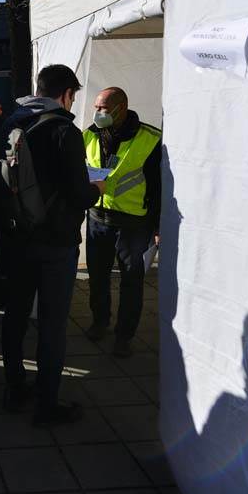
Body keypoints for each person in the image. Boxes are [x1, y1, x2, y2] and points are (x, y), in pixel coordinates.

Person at [1, 64, 106, 426]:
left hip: (17, 238)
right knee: (52, 323)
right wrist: (96, 190)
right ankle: (47, 404)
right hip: (56, 243)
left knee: (15, 316)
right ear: (66, 94)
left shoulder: (13, 124)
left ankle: (14, 388)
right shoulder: (65, 131)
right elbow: (78, 193)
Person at [82, 87, 162, 358]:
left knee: (131, 279)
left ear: (121, 107)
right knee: (98, 276)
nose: (98, 113)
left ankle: (124, 335)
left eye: (103, 108)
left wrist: (158, 225)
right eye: (96, 107)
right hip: (97, 217)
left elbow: (159, 186)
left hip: (133, 221)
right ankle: (100, 321)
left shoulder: (150, 138)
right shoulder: (90, 134)